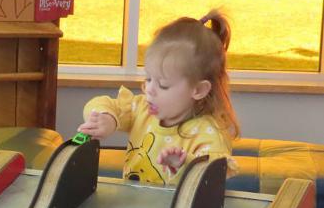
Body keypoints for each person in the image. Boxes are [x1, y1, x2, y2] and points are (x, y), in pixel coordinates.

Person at [78, 10, 239, 185]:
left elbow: (215, 175)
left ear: (198, 89)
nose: (150, 90)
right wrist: (107, 118)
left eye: (163, 85)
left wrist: (186, 164)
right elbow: (103, 103)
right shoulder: (142, 109)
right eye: (148, 79)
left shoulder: (209, 133)